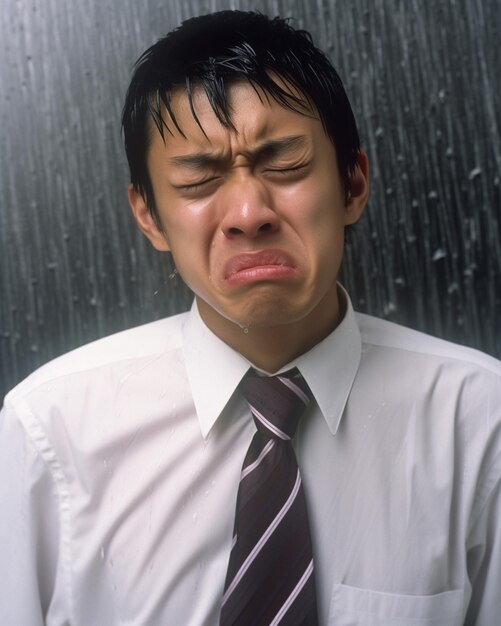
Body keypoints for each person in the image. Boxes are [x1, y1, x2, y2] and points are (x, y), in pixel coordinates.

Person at [1, 9, 500, 626]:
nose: (247, 212)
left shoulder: (481, 419)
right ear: (149, 216)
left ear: (353, 183)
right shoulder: (49, 431)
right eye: (199, 179)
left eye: (284, 164)